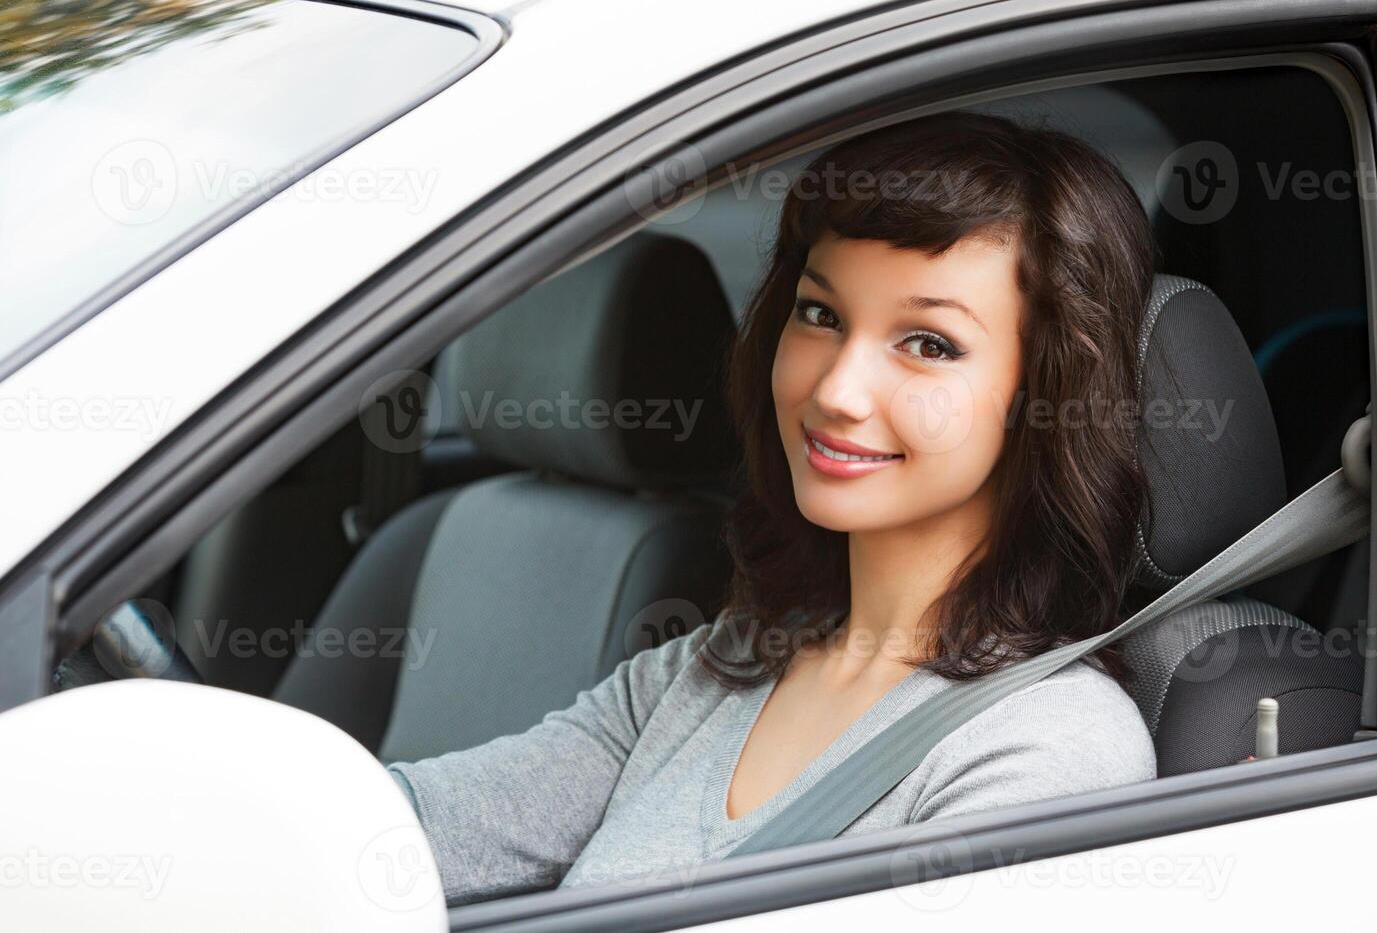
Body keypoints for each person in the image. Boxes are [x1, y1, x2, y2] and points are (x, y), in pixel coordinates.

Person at [387, 110, 1159, 903]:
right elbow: (400, 830)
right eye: (820, 315)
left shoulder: (1047, 746)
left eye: (928, 343)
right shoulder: (717, 667)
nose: (835, 391)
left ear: (1045, 396)